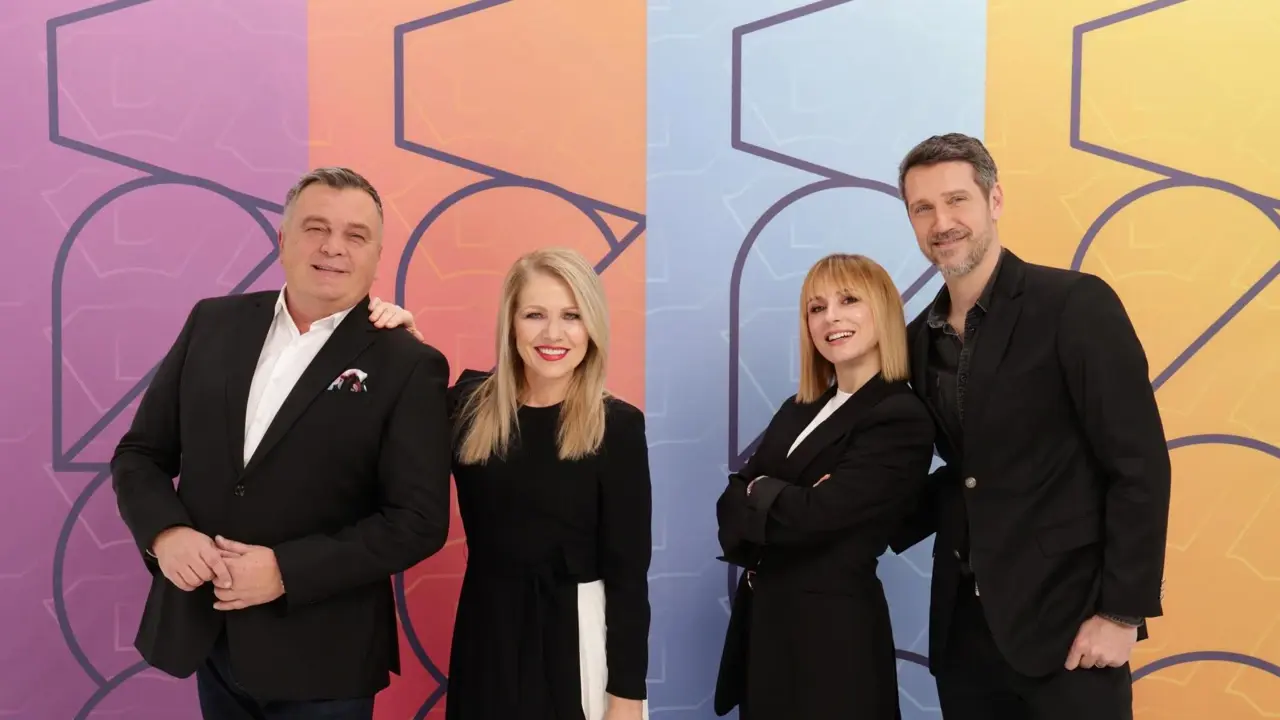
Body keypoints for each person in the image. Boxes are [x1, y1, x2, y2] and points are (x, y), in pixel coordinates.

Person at [110, 167, 454, 720]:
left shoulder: (409, 364)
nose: (333, 247)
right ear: (283, 239)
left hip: (325, 660)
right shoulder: (211, 323)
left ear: (377, 255)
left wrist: (286, 571)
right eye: (316, 228)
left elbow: (417, 521)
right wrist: (165, 533)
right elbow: (141, 454)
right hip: (209, 636)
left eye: (355, 235)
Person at [887, 133, 1172, 720]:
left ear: (994, 200)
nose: (942, 222)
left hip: (1071, 628)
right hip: (965, 636)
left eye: (957, 200)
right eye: (923, 208)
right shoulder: (915, 339)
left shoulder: (1074, 304)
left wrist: (1121, 613)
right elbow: (964, 473)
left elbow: (1138, 465)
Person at [371, 247, 652, 720]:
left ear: (592, 326)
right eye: (535, 315)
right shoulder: (466, 407)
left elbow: (628, 575)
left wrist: (626, 695)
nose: (553, 334)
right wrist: (404, 348)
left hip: (579, 638)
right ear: (511, 324)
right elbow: (392, 443)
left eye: (571, 316)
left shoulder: (617, 426)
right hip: (486, 635)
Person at [711, 253, 937, 719]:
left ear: (882, 311)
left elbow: (819, 516)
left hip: (831, 641)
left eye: (848, 300)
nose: (830, 317)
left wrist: (763, 491)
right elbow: (729, 505)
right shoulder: (799, 408)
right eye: (816, 307)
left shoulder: (898, 415)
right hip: (766, 633)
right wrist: (780, 496)